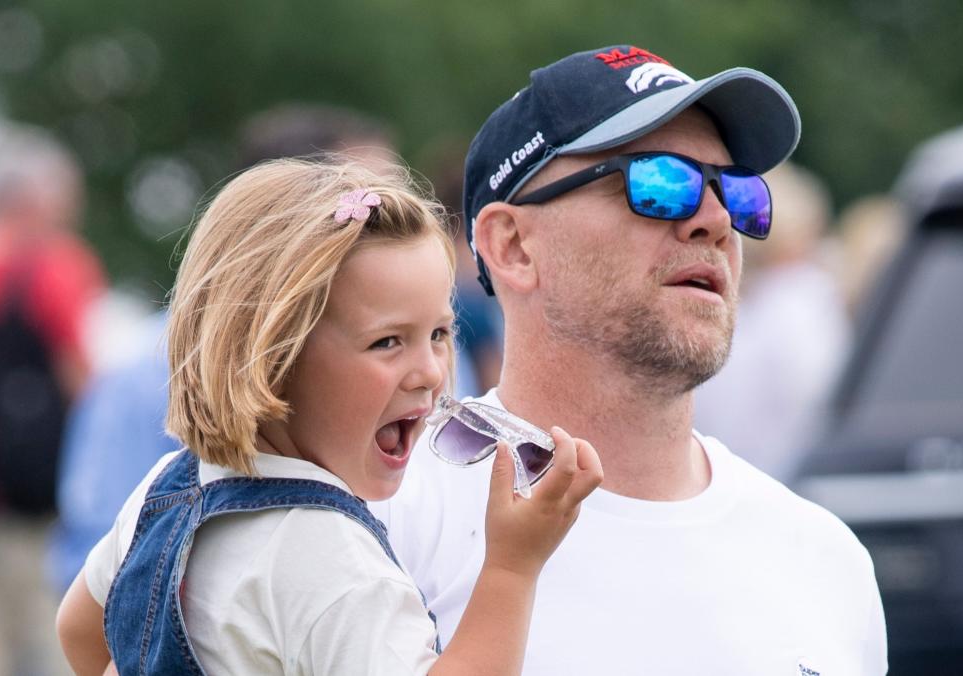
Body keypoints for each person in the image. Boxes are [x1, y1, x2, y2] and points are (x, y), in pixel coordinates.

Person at [374, 44, 888, 675]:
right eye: (659, 182)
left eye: (737, 191)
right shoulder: (388, 514)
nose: (715, 219)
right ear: (512, 247)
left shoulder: (826, 560)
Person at [55, 158, 603, 675]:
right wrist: (512, 567)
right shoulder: (329, 559)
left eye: (438, 334)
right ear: (273, 360)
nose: (431, 372)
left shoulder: (165, 489)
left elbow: (81, 631)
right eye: (388, 342)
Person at [0, 123, 103, 676]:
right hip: (35, 486)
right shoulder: (58, 265)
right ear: (36, 197)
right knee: (43, 632)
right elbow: (82, 379)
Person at [693, 161, 852, 483]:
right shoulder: (803, 298)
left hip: (727, 477)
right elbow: (824, 394)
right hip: (795, 478)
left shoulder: (730, 306)